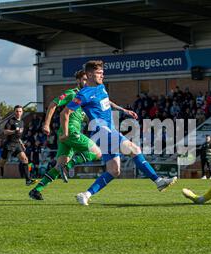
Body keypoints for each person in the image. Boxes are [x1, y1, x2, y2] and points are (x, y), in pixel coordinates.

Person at [61, 60, 177, 206]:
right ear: (90, 74)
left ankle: (85, 194)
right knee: (134, 149)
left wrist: (123, 110)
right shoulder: (84, 94)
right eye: (99, 73)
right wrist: (65, 133)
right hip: (102, 131)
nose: (102, 76)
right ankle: (158, 180)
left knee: (114, 170)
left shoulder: (101, 87)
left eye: (103, 73)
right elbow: (65, 112)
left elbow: (107, 101)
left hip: (109, 132)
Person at [29, 70, 102, 201]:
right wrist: (46, 124)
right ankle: (67, 167)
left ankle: (36, 190)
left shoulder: (84, 98)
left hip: (66, 134)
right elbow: (53, 104)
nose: (86, 82)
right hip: (70, 131)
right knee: (97, 153)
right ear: (78, 80)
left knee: (58, 166)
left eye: (88, 80)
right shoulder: (71, 93)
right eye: (84, 79)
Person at [0, 105, 36, 186]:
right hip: (9, 144)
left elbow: (18, 136)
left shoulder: (21, 122)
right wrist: (14, 131)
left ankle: (28, 180)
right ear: (14, 112)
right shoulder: (10, 121)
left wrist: (22, 144)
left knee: (25, 159)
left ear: (22, 112)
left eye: (20, 111)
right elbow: (5, 132)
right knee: (0, 164)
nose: (18, 113)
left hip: (17, 144)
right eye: (17, 111)